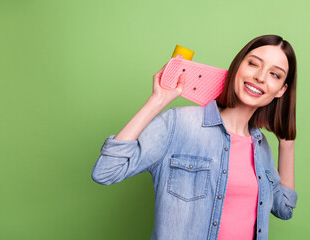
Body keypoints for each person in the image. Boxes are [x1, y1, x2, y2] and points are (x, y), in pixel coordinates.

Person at [91, 34, 298, 240]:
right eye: (253, 63)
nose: (260, 77)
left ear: (281, 90)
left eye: (275, 75)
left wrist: (287, 144)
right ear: (238, 66)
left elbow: (284, 208)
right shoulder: (179, 124)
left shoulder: (260, 146)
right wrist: (157, 101)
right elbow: (106, 171)